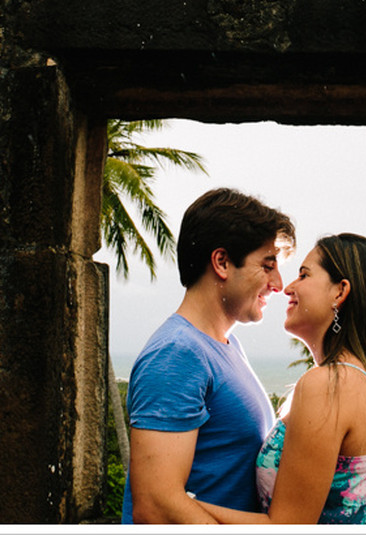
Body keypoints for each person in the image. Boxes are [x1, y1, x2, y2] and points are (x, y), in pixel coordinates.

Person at [195, 233, 366, 525]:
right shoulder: (360, 381)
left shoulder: (330, 385)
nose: (288, 287)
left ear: (340, 292)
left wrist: (179, 503)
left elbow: (285, 527)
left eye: (304, 275)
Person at [121, 187, 295, 524]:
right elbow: (155, 506)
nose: (278, 284)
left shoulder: (225, 346)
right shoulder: (176, 354)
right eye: (267, 265)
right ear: (222, 262)